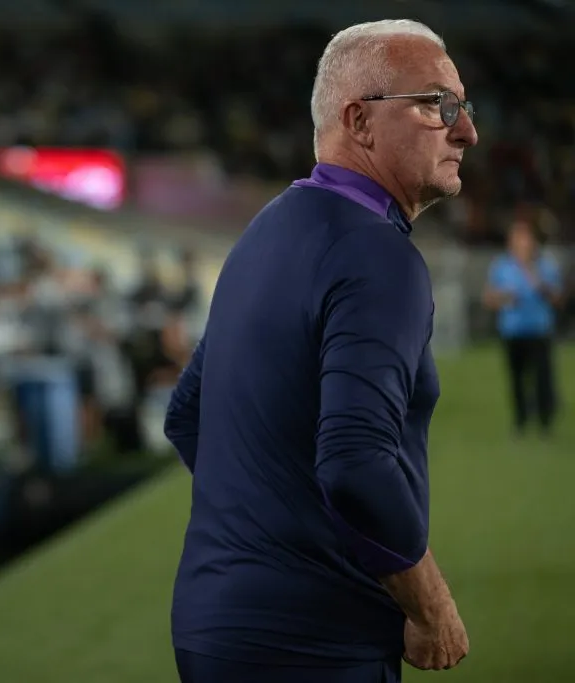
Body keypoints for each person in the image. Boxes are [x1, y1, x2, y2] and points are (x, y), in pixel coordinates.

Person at [164, 20, 477, 683]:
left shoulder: (267, 231)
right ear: (359, 121)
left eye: (464, 107)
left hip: (212, 626)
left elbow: (187, 412)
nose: (466, 131)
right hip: (315, 645)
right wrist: (432, 605)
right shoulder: (377, 255)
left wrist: (273, 530)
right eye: (437, 105)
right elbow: (358, 463)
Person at [484, 220, 564, 436]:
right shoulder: (502, 266)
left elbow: (557, 298)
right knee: (517, 379)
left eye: (524, 239)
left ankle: (545, 422)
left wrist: (534, 277)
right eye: (517, 239)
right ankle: (520, 421)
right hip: (513, 331)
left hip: (539, 330)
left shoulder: (545, 265)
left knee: (542, 378)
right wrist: (503, 297)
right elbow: (489, 298)